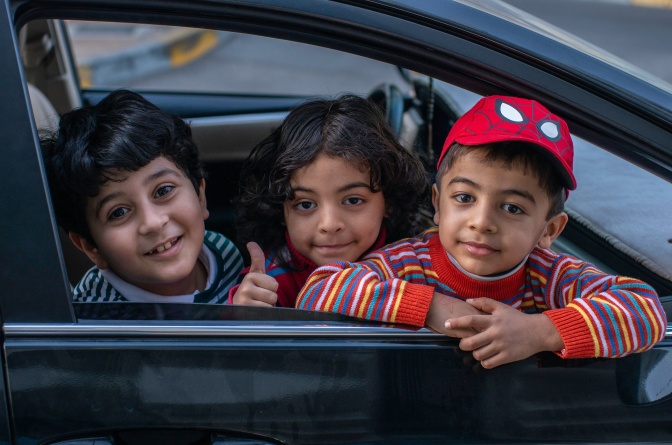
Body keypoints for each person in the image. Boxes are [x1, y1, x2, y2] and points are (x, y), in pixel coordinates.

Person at [296, 95, 667, 368]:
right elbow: (319, 290)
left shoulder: (548, 275)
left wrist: (539, 331)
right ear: (438, 204)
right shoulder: (407, 264)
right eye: (464, 197)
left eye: (512, 208)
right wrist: (432, 308)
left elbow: (645, 310)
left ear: (548, 230)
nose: (482, 221)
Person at [231, 95, 433, 307]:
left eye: (353, 200)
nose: (329, 225)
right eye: (306, 204)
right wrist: (243, 312)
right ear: (281, 209)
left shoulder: (417, 264)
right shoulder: (269, 283)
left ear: (388, 201)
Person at [42, 90, 243, 303]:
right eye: (118, 212)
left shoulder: (220, 251)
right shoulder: (100, 318)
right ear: (90, 247)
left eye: (163, 191)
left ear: (200, 195)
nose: (153, 222)